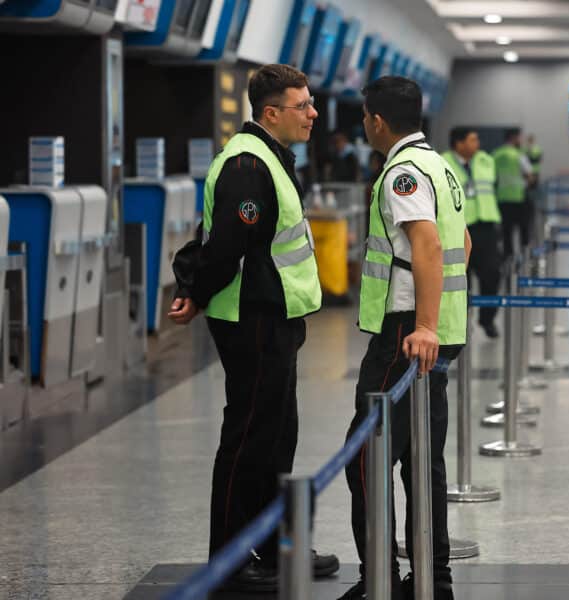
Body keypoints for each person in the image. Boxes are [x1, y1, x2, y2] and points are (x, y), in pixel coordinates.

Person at [167, 64, 338, 592]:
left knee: (277, 436)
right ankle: (231, 557)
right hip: (253, 318)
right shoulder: (247, 164)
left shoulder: (273, 157)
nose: (313, 114)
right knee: (247, 438)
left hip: (277, 314)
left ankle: (276, 544)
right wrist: (195, 293)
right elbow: (226, 247)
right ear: (271, 113)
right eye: (303, 105)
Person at [339, 76, 471, 600]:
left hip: (407, 334)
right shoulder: (440, 165)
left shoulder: (403, 173)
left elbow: (430, 247)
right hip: (438, 332)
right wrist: (441, 322)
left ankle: (381, 583)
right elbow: (461, 241)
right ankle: (433, 583)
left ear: (375, 120)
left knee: (365, 457)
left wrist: (423, 325)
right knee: (422, 459)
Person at [441, 127, 502, 338]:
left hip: (486, 226)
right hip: (457, 229)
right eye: (472, 139)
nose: (477, 143)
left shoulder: (486, 160)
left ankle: (487, 319)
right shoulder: (442, 162)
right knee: (458, 278)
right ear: (459, 143)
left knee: (492, 274)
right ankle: (460, 324)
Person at [493, 128, 535, 258]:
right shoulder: (519, 155)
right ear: (513, 138)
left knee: (506, 231)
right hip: (519, 198)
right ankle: (525, 255)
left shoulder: (496, 154)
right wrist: (525, 184)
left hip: (501, 198)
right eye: (519, 137)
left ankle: (508, 257)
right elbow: (530, 176)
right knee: (524, 229)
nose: (521, 140)